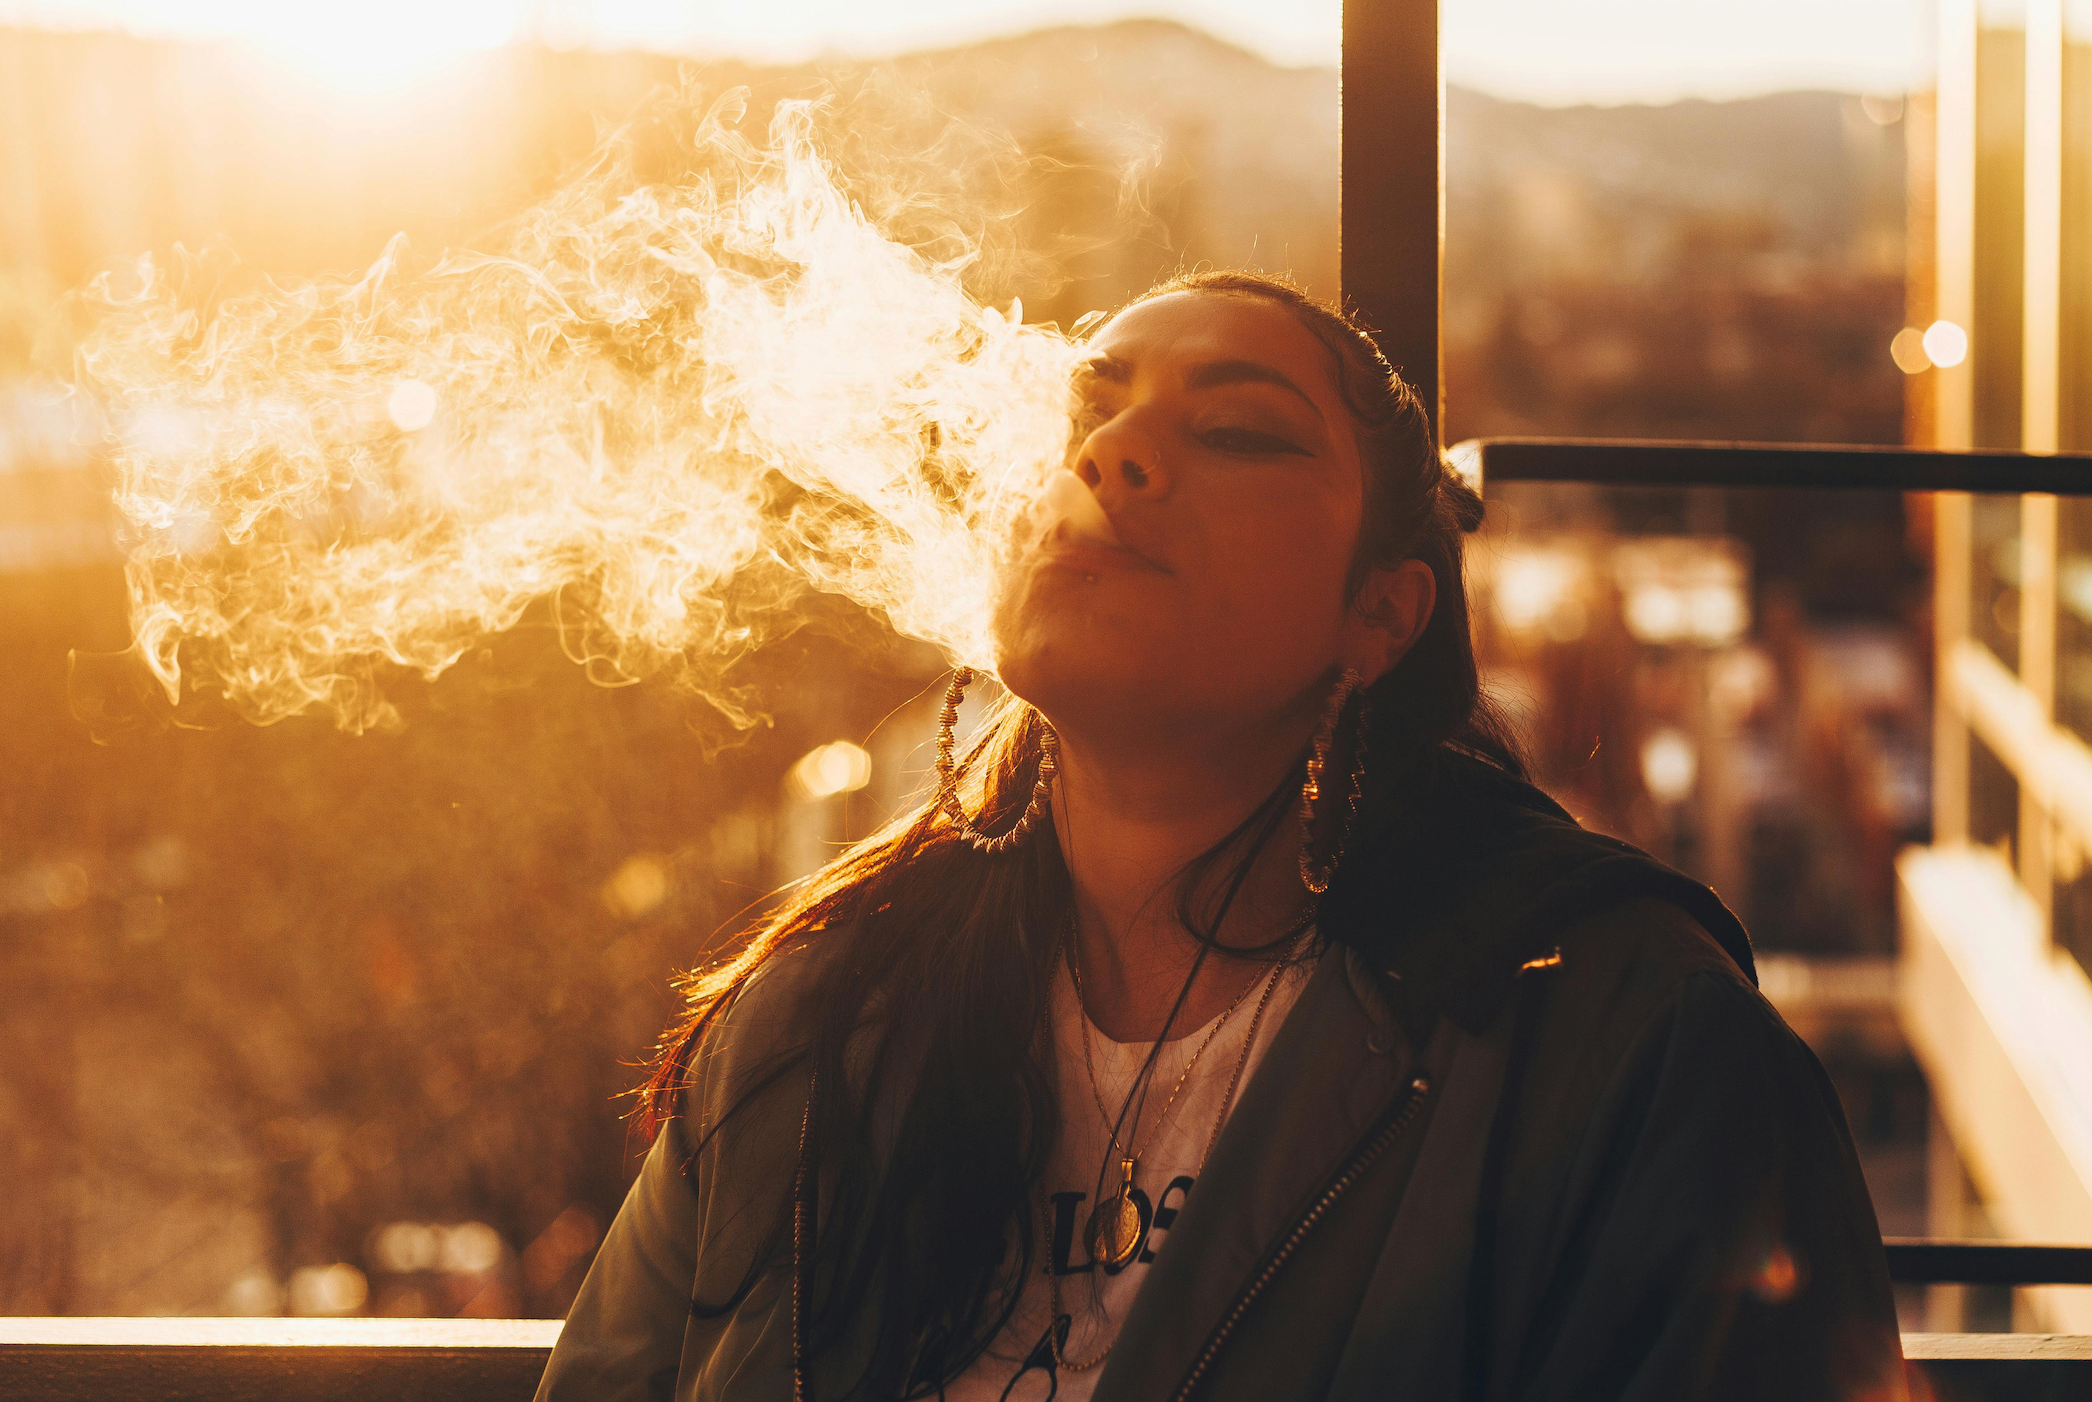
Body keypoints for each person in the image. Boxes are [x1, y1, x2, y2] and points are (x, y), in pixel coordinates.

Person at [536, 271, 1907, 1402]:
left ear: (1382, 615)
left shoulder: (1631, 1051)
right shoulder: (811, 1025)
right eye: (1091, 415)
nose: (1112, 453)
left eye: (1241, 432)